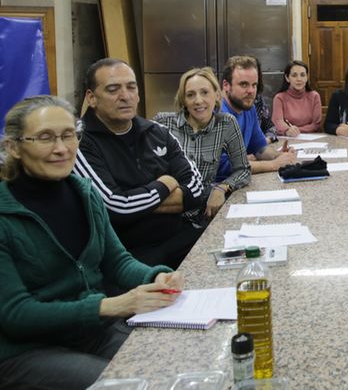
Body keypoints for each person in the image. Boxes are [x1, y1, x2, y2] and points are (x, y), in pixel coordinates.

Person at [0, 95, 184, 390]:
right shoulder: (5, 214)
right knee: (129, 384)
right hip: (29, 350)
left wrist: (156, 276)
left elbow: (117, 261)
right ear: (13, 147)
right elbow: (15, 314)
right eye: (45, 138)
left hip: (91, 332)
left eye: (69, 135)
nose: (61, 149)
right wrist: (112, 305)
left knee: (172, 363)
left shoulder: (85, 193)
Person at [73, 58, 206, 268]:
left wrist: (136, 199)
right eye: (113, 89)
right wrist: (164, 184)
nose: (125, 96)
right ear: (91, 98)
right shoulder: (79, 143)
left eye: (131, 87)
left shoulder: (157, 132)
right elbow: (115, 208)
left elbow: (197, 190)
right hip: (128, 256)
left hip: (181, 238)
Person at [153, 67, 250, 220]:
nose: (198, 100)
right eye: (190, 95)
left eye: (205, 92)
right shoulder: (162, 123)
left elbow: (243, 170)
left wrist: (221, 187)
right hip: (164, 215)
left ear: (217, 95)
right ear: (184, 100)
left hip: (200, 215)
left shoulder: (226, 124)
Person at [217, 55, 297, 180]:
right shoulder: (217, 114)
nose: (251, 91)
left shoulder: (249, 108)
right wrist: (273, 165)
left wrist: (279, 156)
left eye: (254, 85)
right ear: (226, 85)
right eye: (244, 84)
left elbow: (259, 148)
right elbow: (223, 166)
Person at [272, 60, 323, 136]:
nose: (299, 79)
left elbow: (316, 124)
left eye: (302, 75)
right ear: (287, 78)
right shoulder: (279, 98)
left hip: (312, 139)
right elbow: (278, 121)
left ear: (306, 77)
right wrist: (287, 130)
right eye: (294, 75)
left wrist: (297, 130)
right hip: (288, 138)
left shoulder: (314, 96)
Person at [251, 56, 279, 144]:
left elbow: (271, 128)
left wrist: (266, 140)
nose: (249, 90)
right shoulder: (225, 109)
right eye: (243, 84)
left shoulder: (258, 101)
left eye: (253, 84)